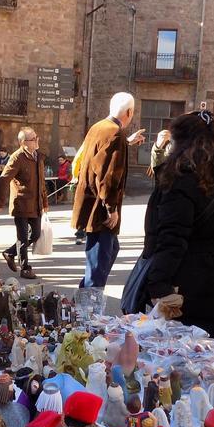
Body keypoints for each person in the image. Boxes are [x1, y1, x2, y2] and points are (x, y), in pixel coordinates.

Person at [140, 110, 214, 337]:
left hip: (188, 282)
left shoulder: (182, 179)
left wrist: (158, 283)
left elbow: (172, 238)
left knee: (183, 357)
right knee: (207, 358)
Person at [72, 92, 146, 288]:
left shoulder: (99, 127)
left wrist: (126, 141)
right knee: (98, 263)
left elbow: (100, 156)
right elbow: (108, 175)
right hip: (99, 208)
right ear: (129, 112)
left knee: (109, 251)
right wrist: (110, 208)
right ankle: (87, 308)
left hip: (91, 202)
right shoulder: (114, 133)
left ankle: (84, 298)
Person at [0, 127, 49, 279]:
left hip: (36, 204)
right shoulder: (17, 158)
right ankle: (25, 268)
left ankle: (10, 252)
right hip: (21, 204)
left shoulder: (38, 157)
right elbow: (4, 179)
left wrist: (45, 202)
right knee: (22, 237)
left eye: (36, 137)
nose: (37, 140)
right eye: (33, 139)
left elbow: (42, 182)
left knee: (35, 234)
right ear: (23, 143)